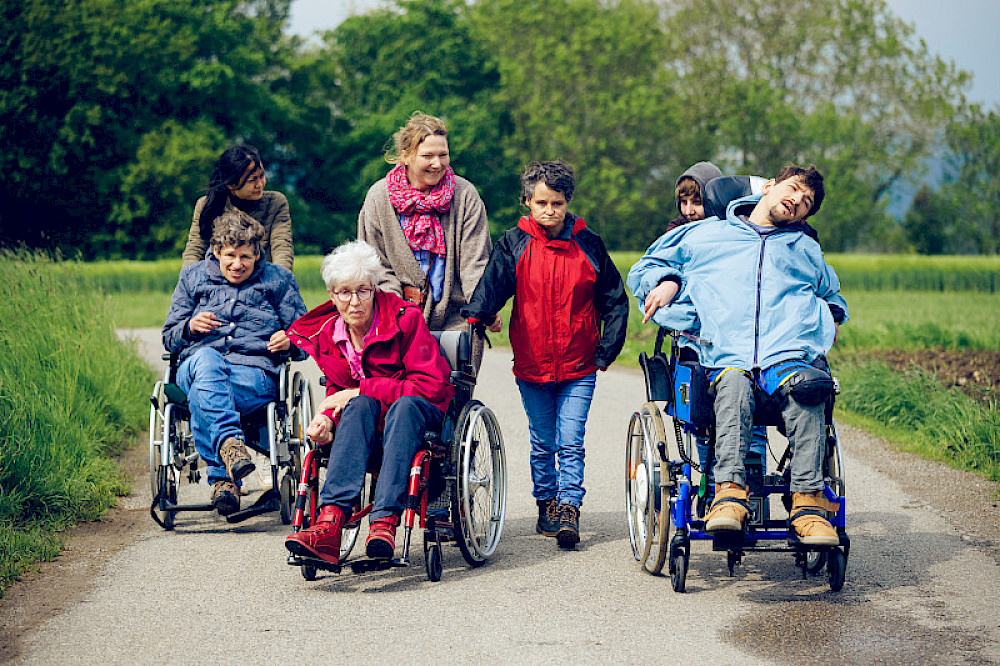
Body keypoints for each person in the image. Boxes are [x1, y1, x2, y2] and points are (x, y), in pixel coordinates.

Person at [628, 164, 848, 545]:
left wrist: (830, 316)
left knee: (809, 389)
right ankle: (728, 494)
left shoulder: (805, 250)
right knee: (733, 384)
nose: (797, 200)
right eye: (794, 189)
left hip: (785, 358)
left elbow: (832, 295)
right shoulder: (707, 234)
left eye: (806, 202)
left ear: (805, 215)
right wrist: (669, 281)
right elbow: (648, 267)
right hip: (727, 355)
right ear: (770, 187)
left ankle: (809, 506)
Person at [462, 161, 629, 549]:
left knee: (570, 440)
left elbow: (615, 299)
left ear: (567, 201)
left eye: (557, 203)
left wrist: (606, 350)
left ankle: (570, 507)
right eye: (541, 203)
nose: (550, 211)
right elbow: (493, 285)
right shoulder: (514, 243)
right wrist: (479, 315)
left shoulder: (588, 244)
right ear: (527, 202)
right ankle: (547, 504)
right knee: (543, 442)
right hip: (532, 362)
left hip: (579, 363)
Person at [283, 240, 454, 566]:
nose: (354, 301)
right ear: (332, 295)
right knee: (359, 406)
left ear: (374, 289)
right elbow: (339, 390)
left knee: (398, 406)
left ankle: (384, 522)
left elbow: (429, 386)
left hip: (416, 415)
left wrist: (361, 389)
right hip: (369, 421)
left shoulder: (405, 319)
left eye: (362, 290)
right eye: (344, 292)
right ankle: (330, 524)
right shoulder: (329, 333)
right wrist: (328, 419)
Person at [163, 211, 307, 515]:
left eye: (245, 257)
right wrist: (189, 327)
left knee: (203, 392)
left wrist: (290, 339)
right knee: (207, 360)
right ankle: (231, 444)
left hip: (252, 373)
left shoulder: (278, 280)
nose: (237, 264)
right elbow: (169, 337)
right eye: (230, 255)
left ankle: (223, 481)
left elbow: (307, 336)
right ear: (216, 251)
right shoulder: (192, 277)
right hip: (197, 364)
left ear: (257, 253)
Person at [665, 162, 767, 513]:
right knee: (705, 420)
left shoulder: (740, 230)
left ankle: (753, 492)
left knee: (753, 420)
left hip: (741, 340)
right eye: (683, 202)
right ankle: (713, 490)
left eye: (697, 202)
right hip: (698, 341)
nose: (690, 210)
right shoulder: (677, 236)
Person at [357, 112, 499, 343]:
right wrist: (398, 315)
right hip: (395, 318)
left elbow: (475, 263)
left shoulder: (465, 195)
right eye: (427, 156)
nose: (437, 164)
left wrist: (484, 306)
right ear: (406, 156)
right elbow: (376, 266)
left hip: (455, 318)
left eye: (443, 155)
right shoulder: (378, 197)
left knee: (453, 364)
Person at [182, 145, 294, 271]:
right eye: (252, 180)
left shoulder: (276, 202)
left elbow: (282, 247)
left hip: (263, 278)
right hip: (217, 279)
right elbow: (195, 249)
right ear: (231, 184)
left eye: (262, 176)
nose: (260, 184)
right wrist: (188, 278)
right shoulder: (206, 204)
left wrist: (282, 277)